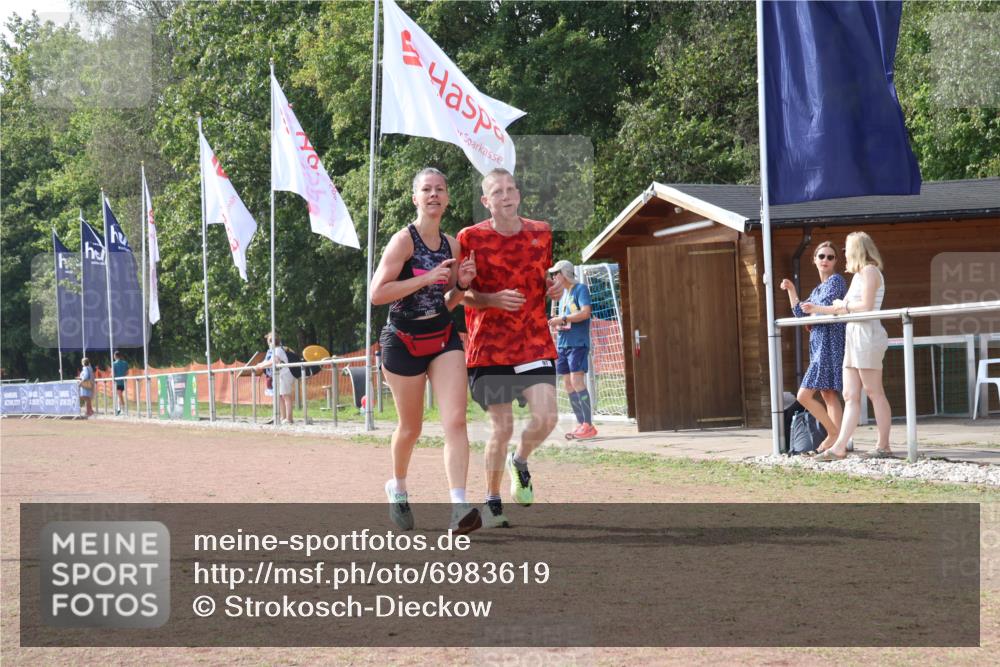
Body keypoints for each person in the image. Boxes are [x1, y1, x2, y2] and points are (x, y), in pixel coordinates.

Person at [370, 167, 480, 534]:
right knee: (411, 428)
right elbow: (377, 294)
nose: (434, 195)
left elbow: (446, 301)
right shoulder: (403, 242)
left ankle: (459, 506)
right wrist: (424, 278)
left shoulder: (452, 245)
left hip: (442, 336)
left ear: (447, 198)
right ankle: (398, 487)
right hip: (402, 342)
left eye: (440, 189)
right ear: (415, 198)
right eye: (426, 190)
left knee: (455, 420)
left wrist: (461, 285)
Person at [458, 168, 559, 529]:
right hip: (491, 347)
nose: (506, 195)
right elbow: (460, 294)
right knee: (500, 428)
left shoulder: (541, 232)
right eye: (497, 192)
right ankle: (493, 501)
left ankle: (521, 460)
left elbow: (546, 277)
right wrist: (490, 299)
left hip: (533, 340)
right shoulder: (470, 238)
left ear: (519, 194)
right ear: (486, 201)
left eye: (511, 189)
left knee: (547, 418)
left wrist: (556, 288)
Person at [807, 232, 893, 461]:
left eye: (846, 249)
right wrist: (817, 308)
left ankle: (883, 445)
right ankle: (839, 447)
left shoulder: (870, 271)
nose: (844, 253)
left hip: (867, 334)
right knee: (849, 394)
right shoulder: (858, 275)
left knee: (874, 391)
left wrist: (843, 307)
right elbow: (844, 306)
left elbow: (865, 305)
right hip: (853, 334)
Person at [779, 242, 847, 453]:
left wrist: (814, 311)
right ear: (815, 260)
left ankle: (833, 434)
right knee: (828, 394)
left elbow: (824, 310)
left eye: (830, 257)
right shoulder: (817, 289)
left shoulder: (836, 281)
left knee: (804, 396)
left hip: (829, 343)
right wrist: (791, 289)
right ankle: (837, 445)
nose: (825, 260)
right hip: (818, 344)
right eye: (821, 256)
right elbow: (801, 313)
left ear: (836, 261)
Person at [547, 259, 597, 440]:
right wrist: (558, 322)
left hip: (577, 344)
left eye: (555, 273)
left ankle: (588, 425)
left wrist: (563, 319)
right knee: (568, 384)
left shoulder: (580, 289)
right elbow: (565, 319)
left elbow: (585, 313)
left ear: (565, 273)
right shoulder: (562, 295)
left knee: (577, 382)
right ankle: (580, 422)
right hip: (563, 344)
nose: (553, 277)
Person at [255, 333, 295, 425]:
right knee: (280, 396)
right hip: (279, 375)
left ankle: (289, 419)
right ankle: (283, 417)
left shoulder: (278, 350)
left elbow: (274, 361)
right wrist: (259, 365)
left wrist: (261, 366)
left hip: (284, 375)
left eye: (268, 341)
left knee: (286, 396)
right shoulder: (273, 350)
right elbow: (267, 361)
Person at [112, 350, 129, 416]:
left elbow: (113, 373)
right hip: (123, 382)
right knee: (119, 395)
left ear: (115, 356)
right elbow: (127, 372)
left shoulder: (114, 364)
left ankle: (123, 409)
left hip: (117, 382)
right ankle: (119, 409)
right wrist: (123, 375)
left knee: (120, 395)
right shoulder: (125, 363)